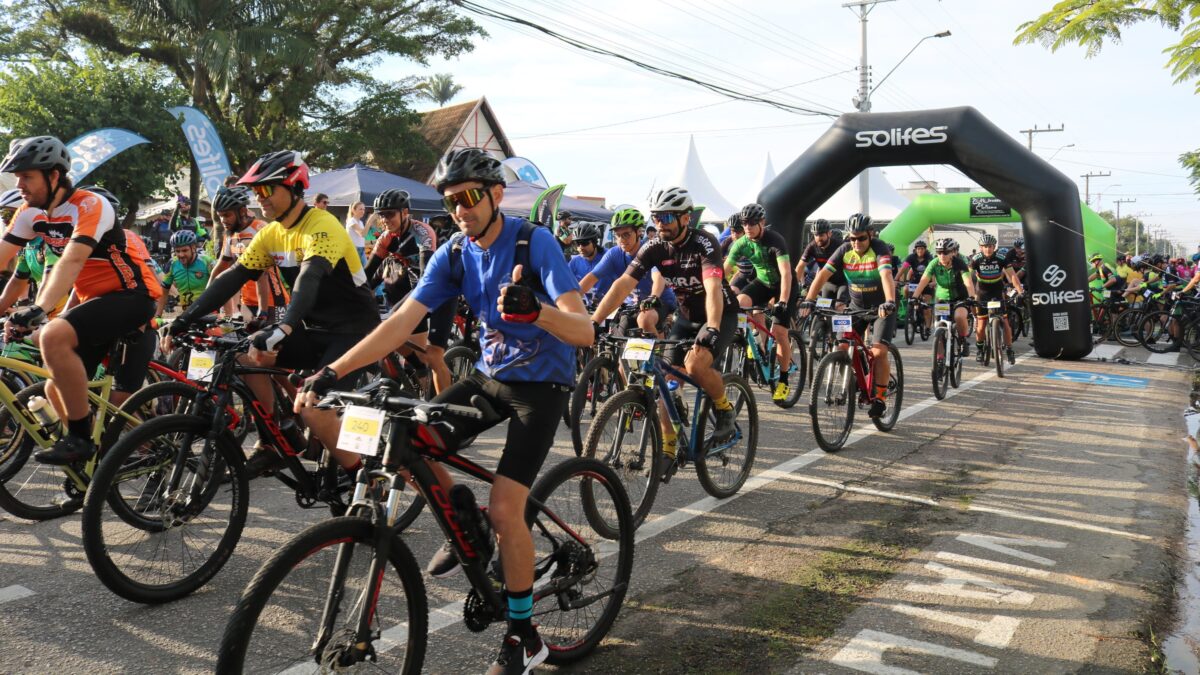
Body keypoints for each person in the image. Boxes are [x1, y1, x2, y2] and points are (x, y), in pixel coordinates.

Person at [295, 147, 592, 674]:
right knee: (406, 440)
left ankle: (523, 637)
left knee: (507, 511)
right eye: (451, 201)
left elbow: (583, 329)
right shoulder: (454, 252)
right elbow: (398, 322)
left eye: (470, 198)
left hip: (541, 385)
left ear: (496, 195)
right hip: (489, 378)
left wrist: (538, 310)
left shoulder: (533, 241)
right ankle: (465, 518)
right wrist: (332, 372)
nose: (460, 209)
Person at [165, 149, 380, 475]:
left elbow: (309, 279)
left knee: (314, 409)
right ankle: (275, 440)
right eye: (256, 191)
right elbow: (232, 278)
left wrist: (285, 327)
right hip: (316, 329)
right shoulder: (271, 233)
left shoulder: (322, 226)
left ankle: (362, 477)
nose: (259, 198)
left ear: (294, 188)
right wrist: (185, 319)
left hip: (354, 332)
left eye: (267, 190)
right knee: (245, 357)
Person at [0, 135, 162, 464]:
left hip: (133, 295)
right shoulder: (29, 213)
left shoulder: (90, 205)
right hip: (95, 304)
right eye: (17, 177)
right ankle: (99, 450)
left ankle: (80, 440)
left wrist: (40, 309)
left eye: (27, 177)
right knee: (52, 389)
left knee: (53, 335)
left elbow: (71, 261)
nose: (21, 186)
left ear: (54, 176)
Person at [590, 186, 740, 476]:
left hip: (718, 313)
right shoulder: (655, 246)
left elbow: (712, 288)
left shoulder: (704, 243)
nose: (660, 223)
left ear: (685, 218)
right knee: (665, 383)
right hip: (685, 317)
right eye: (656, 217)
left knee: (695, 365)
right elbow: (623, 284)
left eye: (667, 217)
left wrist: (712, 326)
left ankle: (724, 407)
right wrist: (595, 322)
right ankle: (669, 450)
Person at [799, 213, 897, 418]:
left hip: (881, 308)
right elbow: (822, 275)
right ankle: (862, 375)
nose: (856, 242)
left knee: (878, 352)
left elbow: (886, 275)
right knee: (842, 345)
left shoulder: (879, 248)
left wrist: (890, 302)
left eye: (861, 238)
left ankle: (880, 397)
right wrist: (809, 298)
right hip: (856, 307)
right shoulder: (844, 250)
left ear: (870, 235)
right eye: (852, 238)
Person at [363, 188, 453, 395]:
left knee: (432, 357)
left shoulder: (422, 232)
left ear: (405, 212)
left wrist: (397, 312)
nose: (385, 219)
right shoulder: (386, 237)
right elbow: (368, 274)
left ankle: (441, 404)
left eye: (390, 214)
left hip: (438, 293)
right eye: (381, 214)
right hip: (412, 293)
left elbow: (426, 280)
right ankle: (419, 371)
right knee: (390, 332)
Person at [723, 202, 797, 402]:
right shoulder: (741, 243)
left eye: (752, 223)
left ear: (762, 222)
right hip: (763, 282)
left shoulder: (775, 240)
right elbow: (724, 271)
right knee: (739, 301)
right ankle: (752, 338)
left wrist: (782, 300)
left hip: (784, 285)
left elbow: (786, 273)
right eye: (744, 223)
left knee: (780, 332)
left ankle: (783, 380)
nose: (747, 227)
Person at [578, 208, 676, 336]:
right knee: (616, 336)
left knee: (644, 320)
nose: (622, 239)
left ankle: (659, 353)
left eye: (626, 234)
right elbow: (591, 278)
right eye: (618, 235)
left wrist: (653, 297)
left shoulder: (650, 249)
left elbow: (658, 277)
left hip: (659, 301)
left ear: (638, 232)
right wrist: (569, 299)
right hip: (633, 306)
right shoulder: (614, 253)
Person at [210, 185, 289, 322]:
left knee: (275, 342)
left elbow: (262, 274)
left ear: (242, 211)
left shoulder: (260, 229)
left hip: (272, 301)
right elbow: (219, 269)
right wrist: (204, 302)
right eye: (220, 216)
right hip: (247, 301)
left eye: (227, 215)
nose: (223, 220)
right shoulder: (230, 235)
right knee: (249, 342)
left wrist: (263, 310)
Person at [912, 237, 976, 357]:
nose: (942, 255)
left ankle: (962, 340)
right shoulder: (934, 263)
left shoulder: (959, 263)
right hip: (942, 298)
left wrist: (972, 297)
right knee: (939, 328)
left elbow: (968, 282)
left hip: (959, 297)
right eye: (939, 252)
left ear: (952, 252)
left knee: (959, 316)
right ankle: (940, 359)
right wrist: (914, 297)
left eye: (945, 252)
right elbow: (923, 280)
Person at [970, 234, 1023, 364]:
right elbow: (969, 279)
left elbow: (1013, 276)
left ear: (994, 247)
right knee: (981, 326)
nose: (987, 249)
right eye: (984, 247)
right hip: (982, 293)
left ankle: (1010, 349)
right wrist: (970, 295)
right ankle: (980, 349)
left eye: (990, 246)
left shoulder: (1001, 258)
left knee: (1005, 322)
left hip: (997, 292)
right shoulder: (976, 259)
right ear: (981, 248)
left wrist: (1020, 292)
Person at [795, 219, 847, 308]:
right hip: (827, 283)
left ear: (829, 234)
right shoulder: (812, 246)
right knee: (824, 310)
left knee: (840, 308)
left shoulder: (839, 245)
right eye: (816, 235)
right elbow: (800, 267)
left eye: (821, 235)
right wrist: (793, 287)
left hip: (843, 283)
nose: (818, 238)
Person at [161, 230, 214, 310]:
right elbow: (164, 292)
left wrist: (227, 314)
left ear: (193, 248)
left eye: (184, 250)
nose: (181, 255)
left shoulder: (207, 262)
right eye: (177, 251)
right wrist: (158, 316)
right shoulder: (172, 264)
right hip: (187, 314)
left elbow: (223, 287)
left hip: (209, 311)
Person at [567, 222, 607, 303]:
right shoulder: (574, 262)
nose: (580, 247)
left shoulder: (608, 257)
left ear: (594, 242)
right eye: (577, 244)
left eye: (584, 243)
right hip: (587, 308)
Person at [897, 240, 934, 329]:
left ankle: (928, 327)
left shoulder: (929, 258)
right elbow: (903, 268)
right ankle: (910, 305)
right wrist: (896, 279)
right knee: (906, 289)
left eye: (922, 249)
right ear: (915, 250)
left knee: (926, 308)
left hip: (926, 283)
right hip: (915, 282)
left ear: (925, 250)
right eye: (918, 249)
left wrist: (933, 282)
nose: (920, 251)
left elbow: (933, 271)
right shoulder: (911, 257)